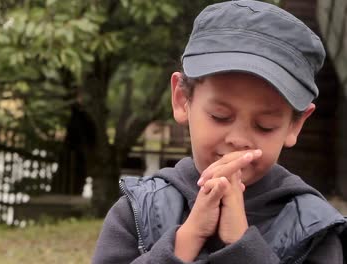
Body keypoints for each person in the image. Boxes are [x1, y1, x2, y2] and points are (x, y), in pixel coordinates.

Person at [92, 1, 347, 263]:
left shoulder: (314, 227)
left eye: (265, 125)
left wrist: (241, 245)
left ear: (295, 125)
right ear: (182, 99)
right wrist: (187, 239)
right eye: (220, 116)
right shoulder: (141, 209)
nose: (238, 139)